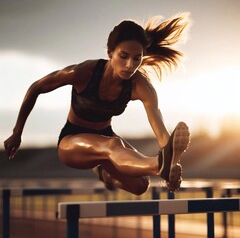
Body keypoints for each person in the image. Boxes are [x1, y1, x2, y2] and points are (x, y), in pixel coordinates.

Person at [4, 13, 191, 195]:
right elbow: (36, 87)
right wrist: (17, 132)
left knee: (141, 185)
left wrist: (172, 157)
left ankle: (106, 174)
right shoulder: (84, 72)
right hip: (72, 143)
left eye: (137, 58)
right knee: (113, 144)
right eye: (123, 56)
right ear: (110, 53)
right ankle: (159, 166)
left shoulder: (140, 86)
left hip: (106, 140)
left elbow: (159, 128)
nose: (130, 65)